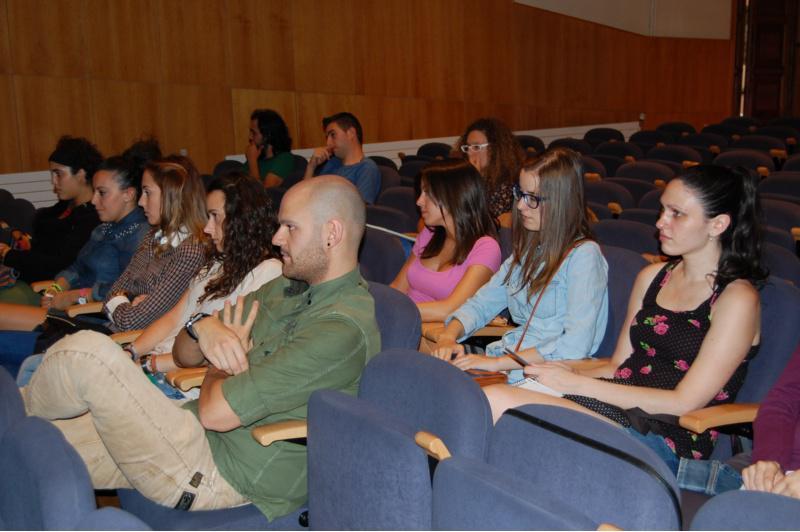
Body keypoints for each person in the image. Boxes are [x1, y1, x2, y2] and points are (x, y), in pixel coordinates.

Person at [23, 175, 380, 521]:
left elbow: (217, 414)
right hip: (185, 429)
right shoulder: (287, 288)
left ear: (332, 234)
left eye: (290, 228)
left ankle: (17, 407)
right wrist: (203, 328)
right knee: (33, 452)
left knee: (90, 353)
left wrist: (219, 363)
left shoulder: (340, 329)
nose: (276, 238)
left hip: (218, 472)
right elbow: (184, 353)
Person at [478, 165, 764, 474]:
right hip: (615, 405)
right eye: (662, 210)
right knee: (493, 402)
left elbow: (685, 403)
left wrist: (576, 383)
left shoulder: (736, 299)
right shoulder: (653, 277)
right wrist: (567, 368)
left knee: (498, 402)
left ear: (718, 224)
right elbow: (618, 365)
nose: (660, 222)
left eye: (676, 213)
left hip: (664, 434)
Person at [432, 149, 608, 384]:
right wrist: (448, 336)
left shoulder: (584, 256)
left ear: (561, 202)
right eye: (520, 194)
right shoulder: (527, 252)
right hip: (508, 363)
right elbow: (482, 303)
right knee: (429, 369)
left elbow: (574, 345)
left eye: (532, 198)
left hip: (545, 375)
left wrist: (496, 364)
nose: (522, 207)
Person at [123, 171, 283, 374]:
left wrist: (146, 365)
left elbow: (225, 349)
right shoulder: (216, 263)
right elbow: (174, 318)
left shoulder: (268, 272)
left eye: (215, 216)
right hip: (156, 362)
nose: (207, 228)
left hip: (180, 378)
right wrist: (131, 352)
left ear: (241, 220)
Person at [0, 147, 154, 331]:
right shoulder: (102, 229)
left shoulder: (140, 235)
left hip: (97, 321)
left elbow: (127, 291)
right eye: (95, 192)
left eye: (102, 193)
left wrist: (76, 296)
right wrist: (56, 289)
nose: (94, 200)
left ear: (128, 194)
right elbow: (76, 267)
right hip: (72, 312)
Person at [100, 154, 209, 332]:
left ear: (172, 195)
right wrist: (128, 301)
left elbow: (132, 322)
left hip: (136, 344)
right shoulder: (153, 236)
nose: (141, 202)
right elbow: (111, 295)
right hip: (114, 333)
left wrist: (122, 300)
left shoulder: (191, 251)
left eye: (147, 192)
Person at [390, 160, 501, 322]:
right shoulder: (429, 234)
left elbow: (449, 310)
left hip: (436, 336)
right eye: (421, 192)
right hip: (404, 323)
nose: (419, 201)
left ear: (453, 195)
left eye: (427, 193)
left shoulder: (486, 248)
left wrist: (393, 311)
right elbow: (397, 288)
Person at [0, 136, 103, 304]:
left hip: (49, 288)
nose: (53, 182)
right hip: (29, 278)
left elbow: (59, 265)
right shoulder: (62, 209)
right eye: (52, 174)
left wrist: (9, 256)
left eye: (59, 174)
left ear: (81, 174)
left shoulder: (92, 218)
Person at [454, 117, 524, 220]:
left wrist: (475, 181)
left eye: (476, 147)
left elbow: (482, 221)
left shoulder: (508, 183)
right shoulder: (465, 173)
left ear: (493, 149)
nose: (469, 152)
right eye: (467, 147)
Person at [303, 112, 381, 203]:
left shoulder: (367, 168)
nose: (328, 143)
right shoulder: (332, 163)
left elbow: (361, 210)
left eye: (333, 135)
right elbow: (305, 197)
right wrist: (311, 167)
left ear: (351, 133)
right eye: (327, 137)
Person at [245, 109, 294, 188]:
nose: (250, 137)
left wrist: (252, 161)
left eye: (254, 133)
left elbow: (264, 194)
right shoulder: (257, 157)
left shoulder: (285, 159)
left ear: (267, 136)